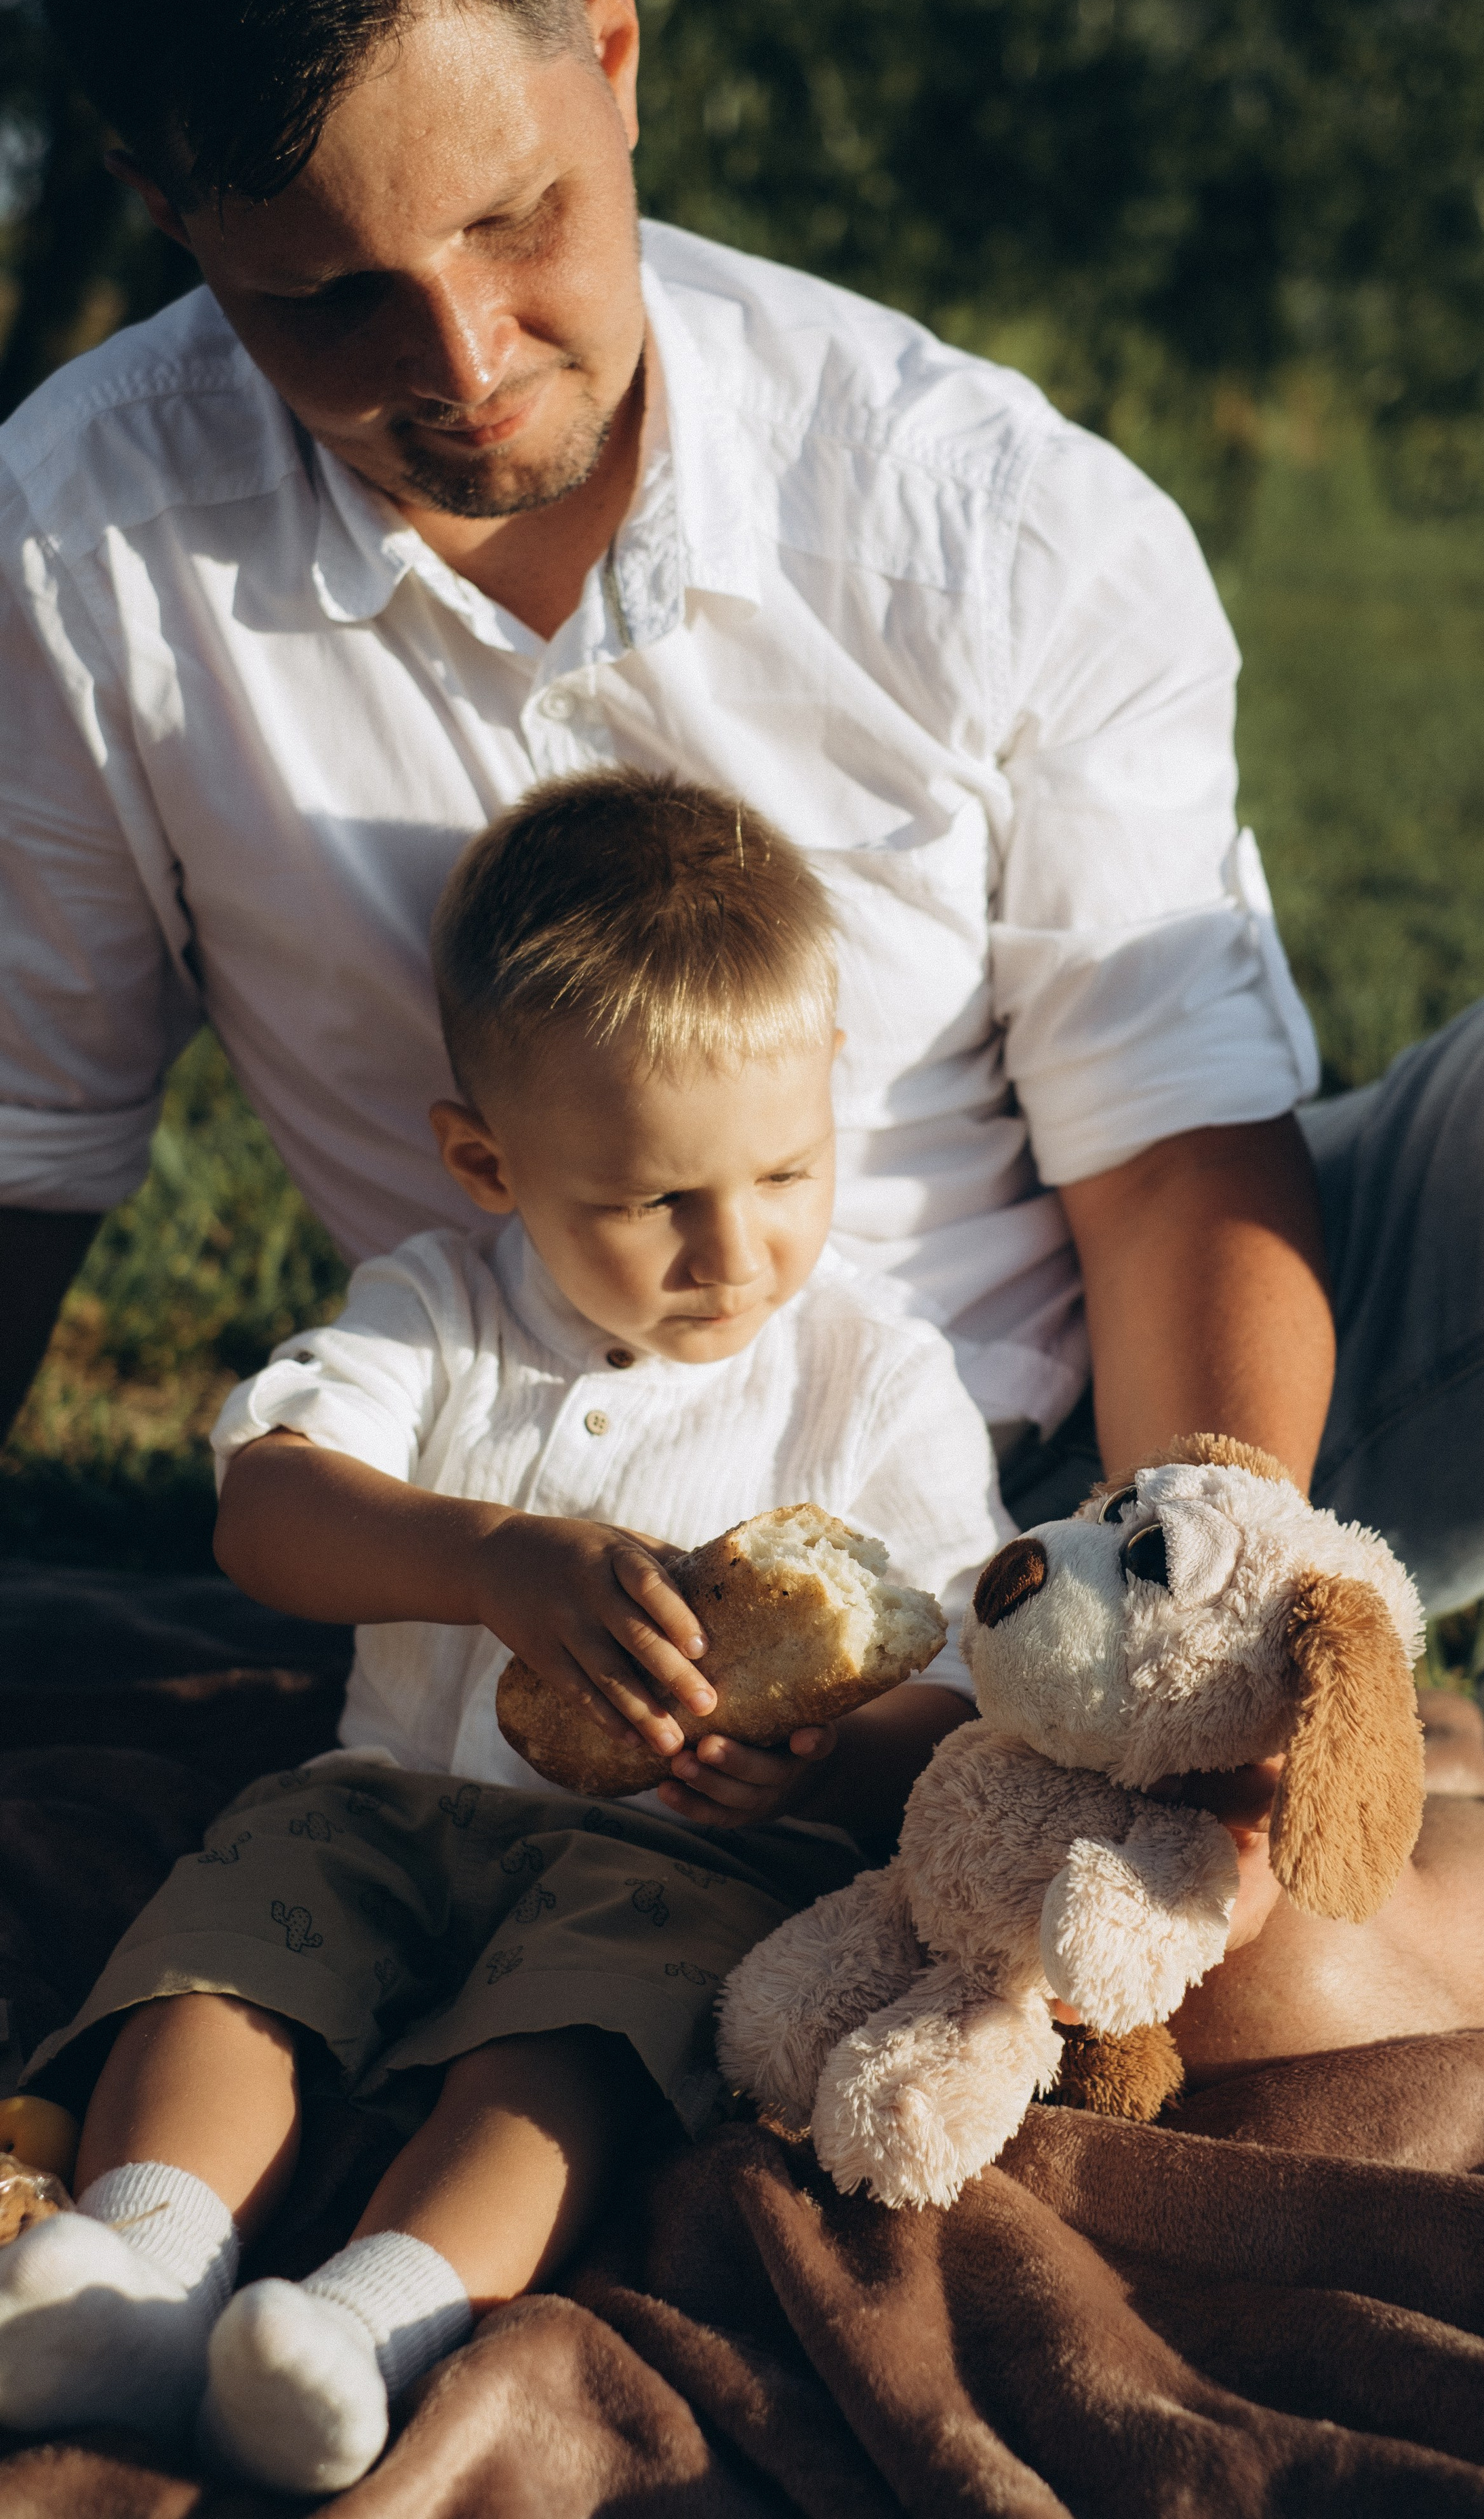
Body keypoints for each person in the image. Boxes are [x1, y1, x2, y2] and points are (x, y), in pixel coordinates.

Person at [2, 0, 1484, 2312]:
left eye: (515, 223)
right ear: (158, 200)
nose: (466, 368)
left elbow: (1179, 1165)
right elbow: (21, 1162)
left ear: (609, 40)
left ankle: (1448, 1746)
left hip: (1173, 1405)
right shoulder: (80, 553)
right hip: (635, 1511)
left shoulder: (974, 507)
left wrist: (1184, 1630)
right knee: (1261, 1994)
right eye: (323, 304)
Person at [0, 771, 1008, 2495]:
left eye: (783, 1169)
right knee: (237, 1947)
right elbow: (268, 1506)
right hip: (381, 1797)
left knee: (579, 2048)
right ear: (489, 1160)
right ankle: (152, 2259)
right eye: (647, 1202)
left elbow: (956, 1692)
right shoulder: (440, 1307)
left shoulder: (872, 1376)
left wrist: (819, 1759)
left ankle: (368, 2320)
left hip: (663, 1861)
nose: (733, 1248)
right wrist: (485, 1562)